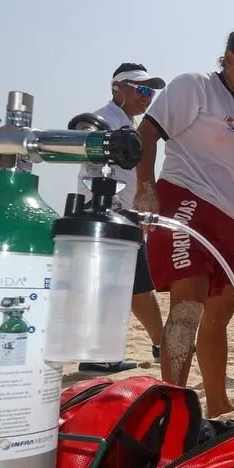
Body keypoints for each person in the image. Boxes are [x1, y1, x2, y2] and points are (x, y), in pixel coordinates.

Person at [134, 26, 234, 418]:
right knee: (187, 309)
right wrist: (145, 187)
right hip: (187, 202)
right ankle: (171, 404)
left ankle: (218, 403)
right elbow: (147, 132)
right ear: (229, 59)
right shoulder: (195, 87)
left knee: (220, 313)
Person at [67, 62, 168, 374]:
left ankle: (159, 344)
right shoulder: (100, 121)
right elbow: (90, 166)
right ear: (117, 89)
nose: (147, 96)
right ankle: (99, 357)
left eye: (150, 90)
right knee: (112, 288)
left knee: (137, 285)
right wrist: (113, 207)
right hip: (106, 217)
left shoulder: (130, 124)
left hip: (126, 218)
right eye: (140, 89)